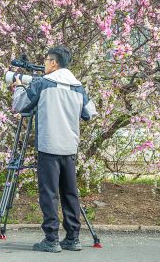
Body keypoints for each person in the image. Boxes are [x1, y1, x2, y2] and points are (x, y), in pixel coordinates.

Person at [12, 45, 97, 253]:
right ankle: (73, 238)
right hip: (69, 148)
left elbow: (20, 105)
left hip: (49, 146)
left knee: (49, 193)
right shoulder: (78, 87)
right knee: (70, 193)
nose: (44, 64)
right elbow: (89, 113)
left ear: (54, 63)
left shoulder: (43, 84)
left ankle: (51, 239)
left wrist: (18, 86)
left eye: (46, 60)